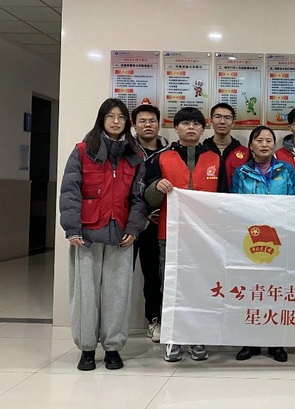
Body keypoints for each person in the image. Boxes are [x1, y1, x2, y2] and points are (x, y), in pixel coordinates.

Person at [59, 98, 147, 371]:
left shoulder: (135, 154)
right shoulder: (83, 150)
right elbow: (70, 191)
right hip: (87, 234)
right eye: (111, 116)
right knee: (85, 295)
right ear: (102, 119)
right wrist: (72, 228)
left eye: (121, 117)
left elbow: (139, 198)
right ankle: (87, 348)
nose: (116, 121)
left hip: (121, 235)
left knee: (117, 295)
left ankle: (112, 348)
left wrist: (133, 228)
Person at [143, 107, 222, 363]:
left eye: (196, 124)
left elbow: (225, 199)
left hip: (205, 237)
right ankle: (172, 338)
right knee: (171, 287)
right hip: (170, 235)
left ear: (203, 129)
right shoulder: (161, 158)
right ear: (176, 128)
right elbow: (147, 197)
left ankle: (197, 337)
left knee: (201, 286)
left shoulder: (214, 158)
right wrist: (157, 186)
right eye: (185, 123)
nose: (191, 127)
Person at [230, 125, 295, 362]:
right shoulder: (241, 173)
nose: (264, 144)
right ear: (250, 145)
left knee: (278, 290)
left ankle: (277, 343)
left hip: (281, 239)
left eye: (269, 140)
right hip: (250, 241)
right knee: (252, 291)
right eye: (259, 140)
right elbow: (234, 206)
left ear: (274, 145)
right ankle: (250, 342)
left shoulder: (286, 170)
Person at [131, 104, 169, 343]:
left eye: (152, 120)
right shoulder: (125, 150)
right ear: (134, 125)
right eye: (142, 121)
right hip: (127, 222)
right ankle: (111, 325)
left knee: (153, 275)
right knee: (120, 276)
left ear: (159, 123)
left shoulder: (169, 152)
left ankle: (154, 320)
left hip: (156, 224)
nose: (147, 125)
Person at [202, 102, 249, 191]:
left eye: (227, 117)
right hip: (207, 198)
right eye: (218, 117)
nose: (222, 121)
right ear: (211, 121)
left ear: (233, 123)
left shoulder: (246, 153)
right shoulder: (202, 151)